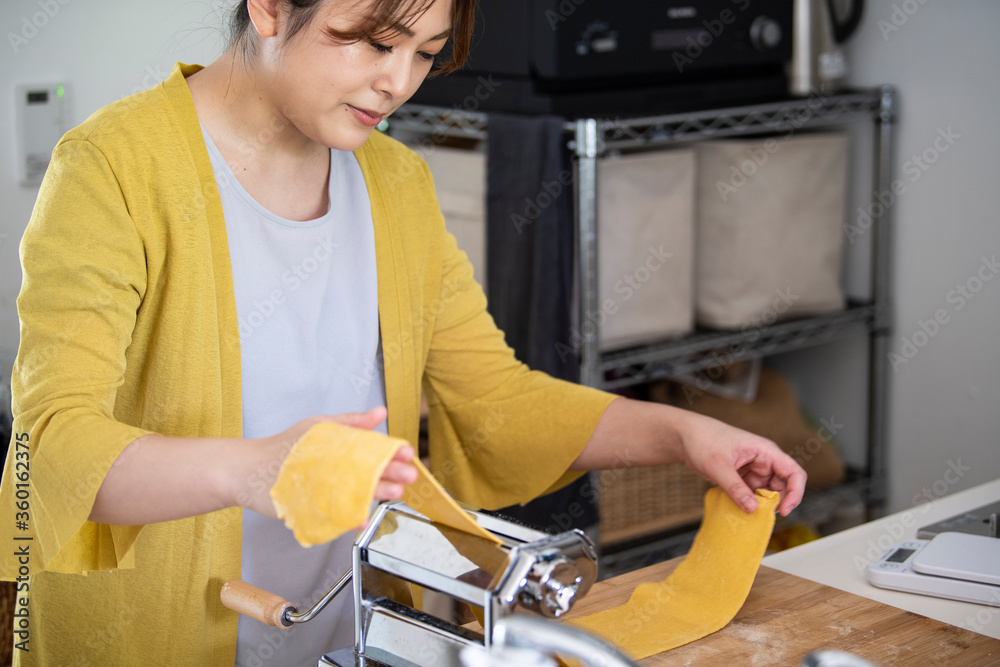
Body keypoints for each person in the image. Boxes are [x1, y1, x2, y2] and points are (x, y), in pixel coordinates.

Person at [0, 0, 807, 664]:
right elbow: (55, 450)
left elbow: (494, 399)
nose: (397, 83)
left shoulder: (395, 184)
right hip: (147, 639)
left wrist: (690, 434)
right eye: (373, 42)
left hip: (343, 633)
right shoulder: (111, 169)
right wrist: (257, 469)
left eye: (423, 53)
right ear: (271, 9)